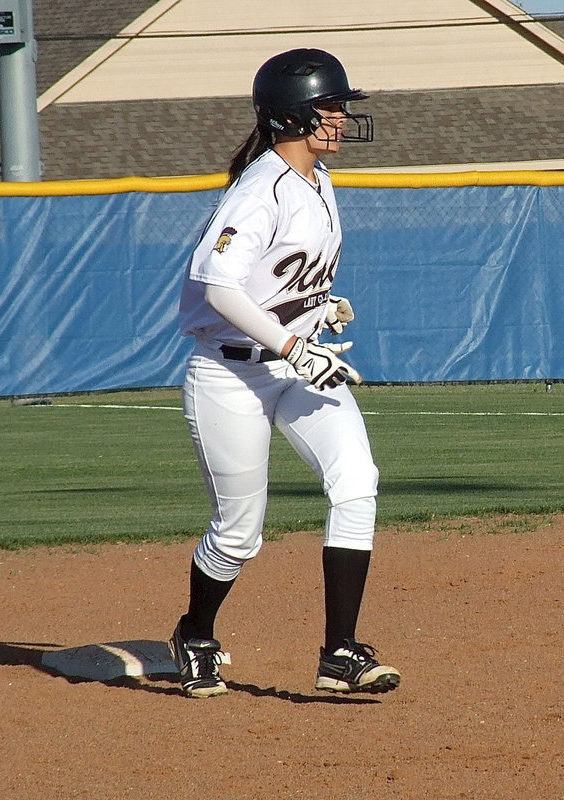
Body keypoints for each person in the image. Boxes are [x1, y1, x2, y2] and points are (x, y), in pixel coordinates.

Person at [169, 48, 400, 698]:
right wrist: (291, 342)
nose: (342, 117)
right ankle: (195, 631)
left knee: (356, 480)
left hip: (295, 362)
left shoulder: (317, 180)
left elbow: (276, 280)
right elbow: (218, 287)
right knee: (238, 537)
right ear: (293, 116)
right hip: (229, 374)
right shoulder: (259, 190)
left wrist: (317, 308)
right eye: (330, 106)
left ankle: (339, 651)